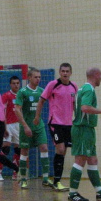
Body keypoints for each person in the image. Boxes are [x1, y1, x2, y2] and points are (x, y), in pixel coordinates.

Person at [68, 67, 101, 201]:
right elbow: (84, 107)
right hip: (83, 129)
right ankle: (72, 193)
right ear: (96, 76)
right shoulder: (89, 89)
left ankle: (99, 191)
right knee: (80, 160)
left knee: (93, 160)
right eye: (100, 76)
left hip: (87, 129)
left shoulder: (82, 89)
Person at [33, 63, 77, 192]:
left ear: (70, 72)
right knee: (60, 148)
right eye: (62, 71)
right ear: (59, 72)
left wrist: (77, 119)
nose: (65, 73)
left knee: (64, 151)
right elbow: (41, 100)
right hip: (55, 123)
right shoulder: (53, 85)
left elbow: (75, 105)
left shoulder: (74, 86)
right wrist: (37, 116)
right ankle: (57, 181)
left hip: (68, 124)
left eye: (67, 71)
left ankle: (57, 180)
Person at [14, 68, 51, 189]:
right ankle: (23, 178)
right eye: (36, 77)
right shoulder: (22, 92)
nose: (38, 79)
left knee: (44, 147)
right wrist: (25, 126)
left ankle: (45, 178)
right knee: (24, 151)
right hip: (26, 126)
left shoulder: (42, 91)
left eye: (39, 77)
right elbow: (17, 110)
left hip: (39, 126)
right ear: (29, 77)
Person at [0, 76, 21, 181]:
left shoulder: (21, 95)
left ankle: (15, 173)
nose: (16, 85)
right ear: (10, 84)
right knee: (5, 148)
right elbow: (1, 111)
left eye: (18, 83)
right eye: (14, 83)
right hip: (8, 125)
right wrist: (3, 127)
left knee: (18, 150)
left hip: (18, 125)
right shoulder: (6, 96)